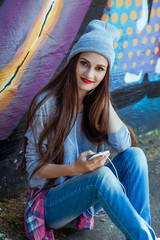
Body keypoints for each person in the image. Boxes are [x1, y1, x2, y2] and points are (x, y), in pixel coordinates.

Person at [20, 20, 159, 240]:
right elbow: (34, 170)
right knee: (101, 177)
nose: (90, 74)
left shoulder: (95, 104)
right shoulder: (47, 105)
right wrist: (75, 168)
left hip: (85, 202)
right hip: (51, 205)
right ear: (73, 62)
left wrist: (103, 100)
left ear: (105, 73)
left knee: (136, 155)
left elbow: (124, 146)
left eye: (99, 69)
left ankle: (143, 232)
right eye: (84, 63)